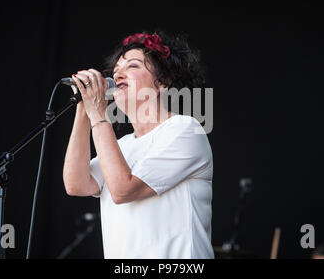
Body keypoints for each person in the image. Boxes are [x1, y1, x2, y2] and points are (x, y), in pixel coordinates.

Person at [62, 31, 214, 259]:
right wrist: (84, 109)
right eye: (116, 70)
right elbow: (76, 184)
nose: (118, 73)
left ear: (163, 82)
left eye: (132, 66)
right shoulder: (122, 146)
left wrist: (99, 116)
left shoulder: (185, 129)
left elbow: (123, 189)